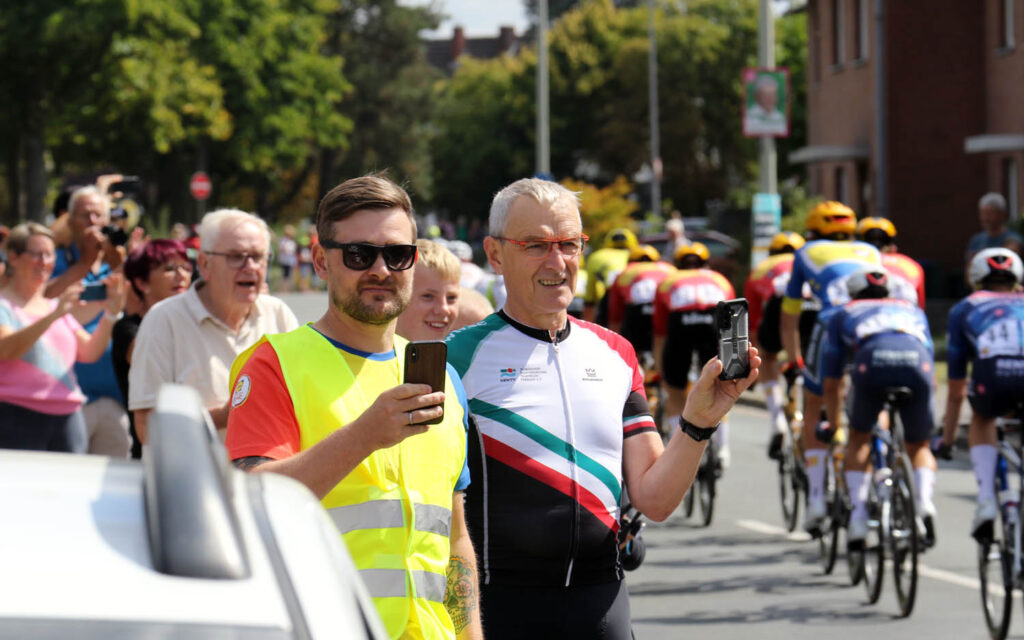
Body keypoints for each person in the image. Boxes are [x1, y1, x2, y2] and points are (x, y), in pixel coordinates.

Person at [447, 178, 759, 639]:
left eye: (569, 244)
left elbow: (654, 499)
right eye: (535, 245)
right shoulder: (458, 356)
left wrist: (698, 422)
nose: (558, 262)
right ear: (495, 255)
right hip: (502, 610)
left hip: (601, 606)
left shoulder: (615, 353)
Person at [225, 175, 482, 640]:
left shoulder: (444, 380)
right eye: (360, 255)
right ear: (322, 261)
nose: (381, 269)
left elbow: (455, 538)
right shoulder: (274, 364)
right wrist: (364, 437)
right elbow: (250, 502)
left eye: (397, 254)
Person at [129, 208, 298, 444]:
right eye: (236, 256)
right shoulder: (164, 320)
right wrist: (223, 416)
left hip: (268, 476)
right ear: (205, 264)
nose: (250, 266)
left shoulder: (278, 314)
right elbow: (147, 428)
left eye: (258, 256)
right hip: (193, 478)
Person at [780, 200, 882, 533]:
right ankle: (880, 462)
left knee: (815, 402)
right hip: (875, 326)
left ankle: (816, 500)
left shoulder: (806, 252)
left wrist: (794, 358)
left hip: (833, 323)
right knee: (873, 396)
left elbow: (791, 313)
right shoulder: (870, 251)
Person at [821, 267, 938, 549]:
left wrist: (835, 424)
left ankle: (859, 521)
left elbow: (832, 381)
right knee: (919, 443)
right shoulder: (912, 310)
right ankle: (923, 501)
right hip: (917, 363)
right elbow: (931, 363)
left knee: (859, 437)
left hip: (871, 362)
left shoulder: (843, 312)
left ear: (853, 293)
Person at [0, 223, 126, 452]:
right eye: (37, 254)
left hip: (68, 417)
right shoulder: (4, 306)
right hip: (16, 415)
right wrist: (55, 315)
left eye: (49, 254)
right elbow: (7, 349)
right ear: (14, 257)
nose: (45, 262)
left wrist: (111, 313)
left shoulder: (53, 306)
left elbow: (89, 352)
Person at [936, 248, 1024, 542]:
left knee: (983, 416)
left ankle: (986, 498)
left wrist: (947, 440)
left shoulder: (964, 308)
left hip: (993, 373)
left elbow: (956, 390)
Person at [46, 185, 132, 456]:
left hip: (113, 398)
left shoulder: (115, 261)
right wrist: (84, 263)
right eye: (85, 216)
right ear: (69, 222)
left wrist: (121, 266)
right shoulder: (52, 260)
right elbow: (45, 299)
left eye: (98, 216)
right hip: (66, 398)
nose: (93, 223)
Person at [652, 242, 736, 464]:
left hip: (680, 323)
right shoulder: (720, 279)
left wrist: (662, 373)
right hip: (714, 321)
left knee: (675, 389)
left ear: (677, 265)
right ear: (706, 263)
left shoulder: (668, 281)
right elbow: (732, 325)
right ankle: (722, 448)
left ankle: (674, 445)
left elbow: (660, 334)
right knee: (720, 388)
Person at [112, 240, 193, 458]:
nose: (181, 275)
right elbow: (150, 354)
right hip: (153, 453)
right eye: (169, 269)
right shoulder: (126, 329)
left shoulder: (197, 322)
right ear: (142, 283)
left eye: (186, 267)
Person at [743, 231, 806, 459]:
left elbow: (753, 322)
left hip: (777, 305)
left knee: (767, 355)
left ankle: (777, 419)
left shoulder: (762, 268)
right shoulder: (808, 260)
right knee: (808, 355)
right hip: (809, 306)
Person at [606, 244, 675, 358]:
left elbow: (615, 311)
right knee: (663, 342)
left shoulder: (624, 272)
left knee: (632, 349)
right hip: (665, 310)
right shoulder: (669, 269)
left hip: (636, 312)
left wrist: (613, 344)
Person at [396, 239, 461, 342]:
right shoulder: (368, 355)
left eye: (451, 298)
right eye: (428, 296)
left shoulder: (457, 357)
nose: (444, 309)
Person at [856, 216, 926, 308]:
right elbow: (920, 307)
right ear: (892, 243)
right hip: (904, 316)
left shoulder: (854, 262)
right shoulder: (911, 265)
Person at [583, 227, 636, 324]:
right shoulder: (636, 255)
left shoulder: (597, 256)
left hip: (610, 297)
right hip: (637, 298)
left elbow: (590, 295)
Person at [965, 193, 1022, 269]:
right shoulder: (976, 240)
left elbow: (1010, 259)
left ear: (1002, 214)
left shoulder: (1013, 239)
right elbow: (969, 269)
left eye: (989, 214)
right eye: (983, 213)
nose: (985, 218)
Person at [276, 224, 298, 292]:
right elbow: (281, 248)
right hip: (285, 260)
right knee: (285, 274)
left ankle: (288, 288)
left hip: (291, 260)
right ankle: (283, 288)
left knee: (289, 274)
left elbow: (294, 250)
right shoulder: (283, 240)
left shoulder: (292, 241)